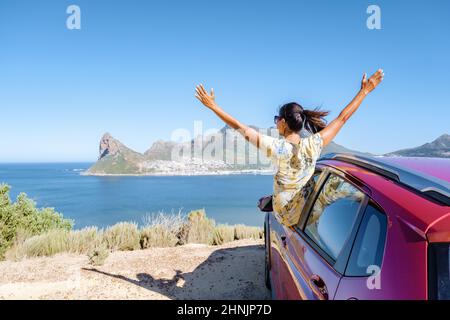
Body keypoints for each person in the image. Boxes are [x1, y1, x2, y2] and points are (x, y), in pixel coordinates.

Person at [195, 69, 384, 226]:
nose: (276, 123)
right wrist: (365, 91)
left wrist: (213, 106)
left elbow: (238, 126)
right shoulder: (314, 144)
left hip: (288, 216)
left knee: (324, 182)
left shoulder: (276, 147)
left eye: (277, 119)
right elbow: (342, 118)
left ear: (284, 123)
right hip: (310, 210)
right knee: (334, 183)